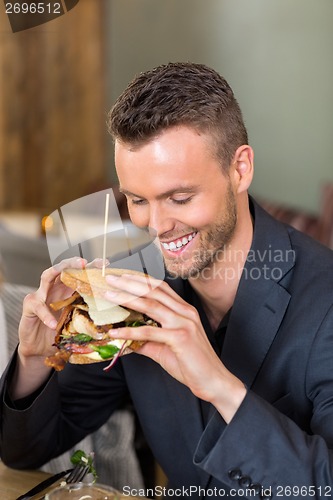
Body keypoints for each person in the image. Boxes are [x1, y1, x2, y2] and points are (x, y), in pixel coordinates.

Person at [1, 62, 333, 499]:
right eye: (137, 200)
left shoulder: (325, 301)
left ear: (240, 169)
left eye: (179, 198)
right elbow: (25, 450)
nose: (155, 226)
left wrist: (220, 387)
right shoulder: (135, 284)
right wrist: (33, 359)